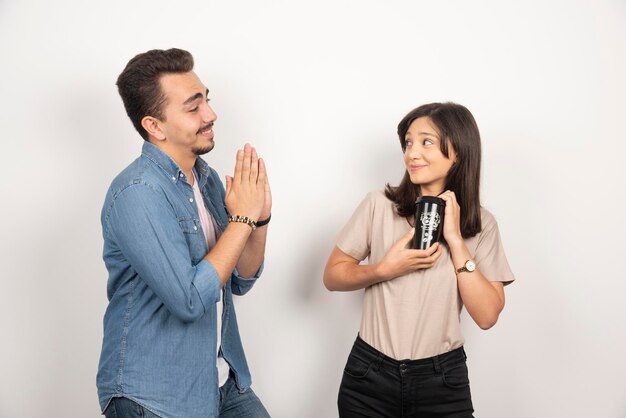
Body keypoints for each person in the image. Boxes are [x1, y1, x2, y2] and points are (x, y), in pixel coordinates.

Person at [97, 48, 272, 418]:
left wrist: (258, 219)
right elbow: (190, 301)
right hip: (154, 396)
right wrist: (241, 219)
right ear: (154, 126)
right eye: (193, 108)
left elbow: (239, 278)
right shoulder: (138, 192)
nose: (211, 115)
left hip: (220, 382)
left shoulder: (205, 179)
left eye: (206, 100)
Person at [323, 102, 515, 417]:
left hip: (442, 382)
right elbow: (332, 276)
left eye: (426, 142)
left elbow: (487, 316)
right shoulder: (378, 206)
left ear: (458, 151)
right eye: (409, 142)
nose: (412, 153)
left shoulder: (482, 224)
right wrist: (385, 269)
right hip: (369, 376)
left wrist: (455, 241)